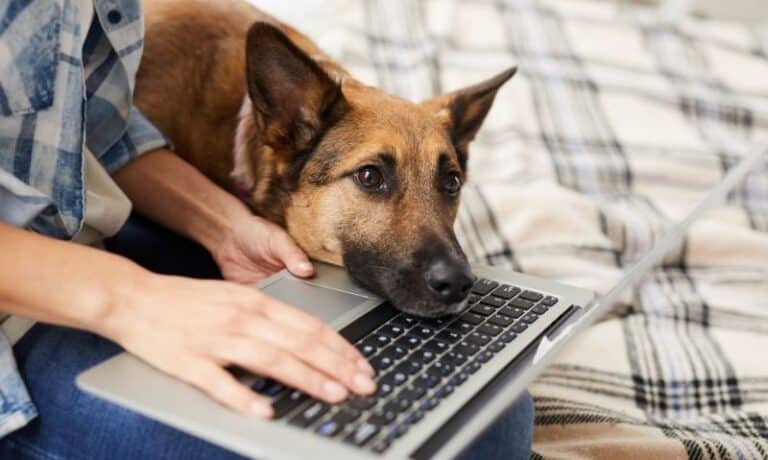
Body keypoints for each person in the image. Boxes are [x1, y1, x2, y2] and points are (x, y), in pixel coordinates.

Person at [0, 0, 534, 458]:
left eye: (448, 183)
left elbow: (94, 126)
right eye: (372, 178)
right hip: (17, 322)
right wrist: (134, 300)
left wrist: (225, 227)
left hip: (79, 219)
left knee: (487, 412)